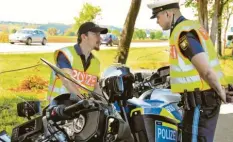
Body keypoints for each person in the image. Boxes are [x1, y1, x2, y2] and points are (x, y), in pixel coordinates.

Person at [147, 0, 227, 142]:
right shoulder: (189, 27)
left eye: (157, 17)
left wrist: (221, 92)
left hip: (200, 102)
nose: (157, 22)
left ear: (168, 14)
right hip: (201, 101)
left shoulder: (183, 34)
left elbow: (205, 70)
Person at [47, 21, 108, 101]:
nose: (100, 38)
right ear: (84, 37)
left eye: (99, 35)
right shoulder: (66, 54)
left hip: (80, 109)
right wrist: (84, 102)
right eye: (95, 34)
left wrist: (105, 102)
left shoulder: (95, 62)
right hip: (59, 108)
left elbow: (96, 88)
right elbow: (67, 81)